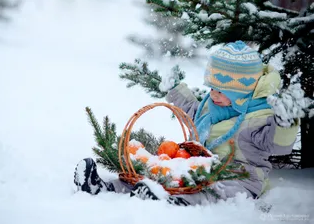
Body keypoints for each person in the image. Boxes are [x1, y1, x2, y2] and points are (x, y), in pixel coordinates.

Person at [73, 41, 301, 206]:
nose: (213, 95)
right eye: (211, 88)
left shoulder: (259, 118)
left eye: (221, 91)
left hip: (240, 178)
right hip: (200, 168)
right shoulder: (213, 106)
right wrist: (176, 90)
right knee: (161, 171)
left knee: (216, 190)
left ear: (241, 92)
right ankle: (108, 186)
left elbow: (279, 146)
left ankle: (178, 202)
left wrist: (285, 123)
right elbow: (193, 112)